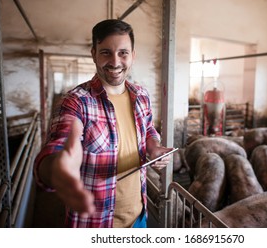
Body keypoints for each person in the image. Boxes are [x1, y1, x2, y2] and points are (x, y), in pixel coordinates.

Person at [33, 19, 172, 228]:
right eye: (106, 52)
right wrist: (57, 171)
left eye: (123, 53)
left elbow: (149, 129)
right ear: (94, 54)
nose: (115, 62)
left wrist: (153, 147)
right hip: (96, 223)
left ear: (133, 56)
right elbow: (57, 145)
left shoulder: (141, 95)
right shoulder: (76, 101)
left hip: (138, 217)